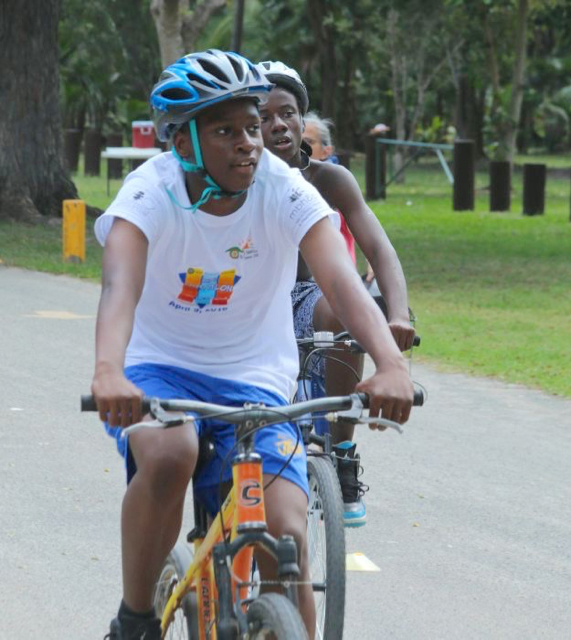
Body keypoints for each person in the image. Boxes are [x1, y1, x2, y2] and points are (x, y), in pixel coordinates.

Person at [91, 49, 413, 640]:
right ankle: (134, 618)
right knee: (170, 455)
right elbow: (119, 286)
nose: (249, 142)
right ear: (183, 143)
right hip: (159, 368)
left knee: (286, 536)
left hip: (254, 378)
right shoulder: (149, 192)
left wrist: (390, 363)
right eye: (225, 130)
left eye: (251, 125)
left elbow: (341, 280)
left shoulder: (281, 186)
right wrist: (109, 370)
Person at [257, 60, 416, 527]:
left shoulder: (329, 180)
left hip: (307, 297)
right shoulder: (239, 177)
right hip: (250, 300)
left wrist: (399, 314)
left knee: (348, 310)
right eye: (263, 117)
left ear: (301, 117)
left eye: (286, 113)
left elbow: (380, 250)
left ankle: (341, 449)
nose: (277, 125)